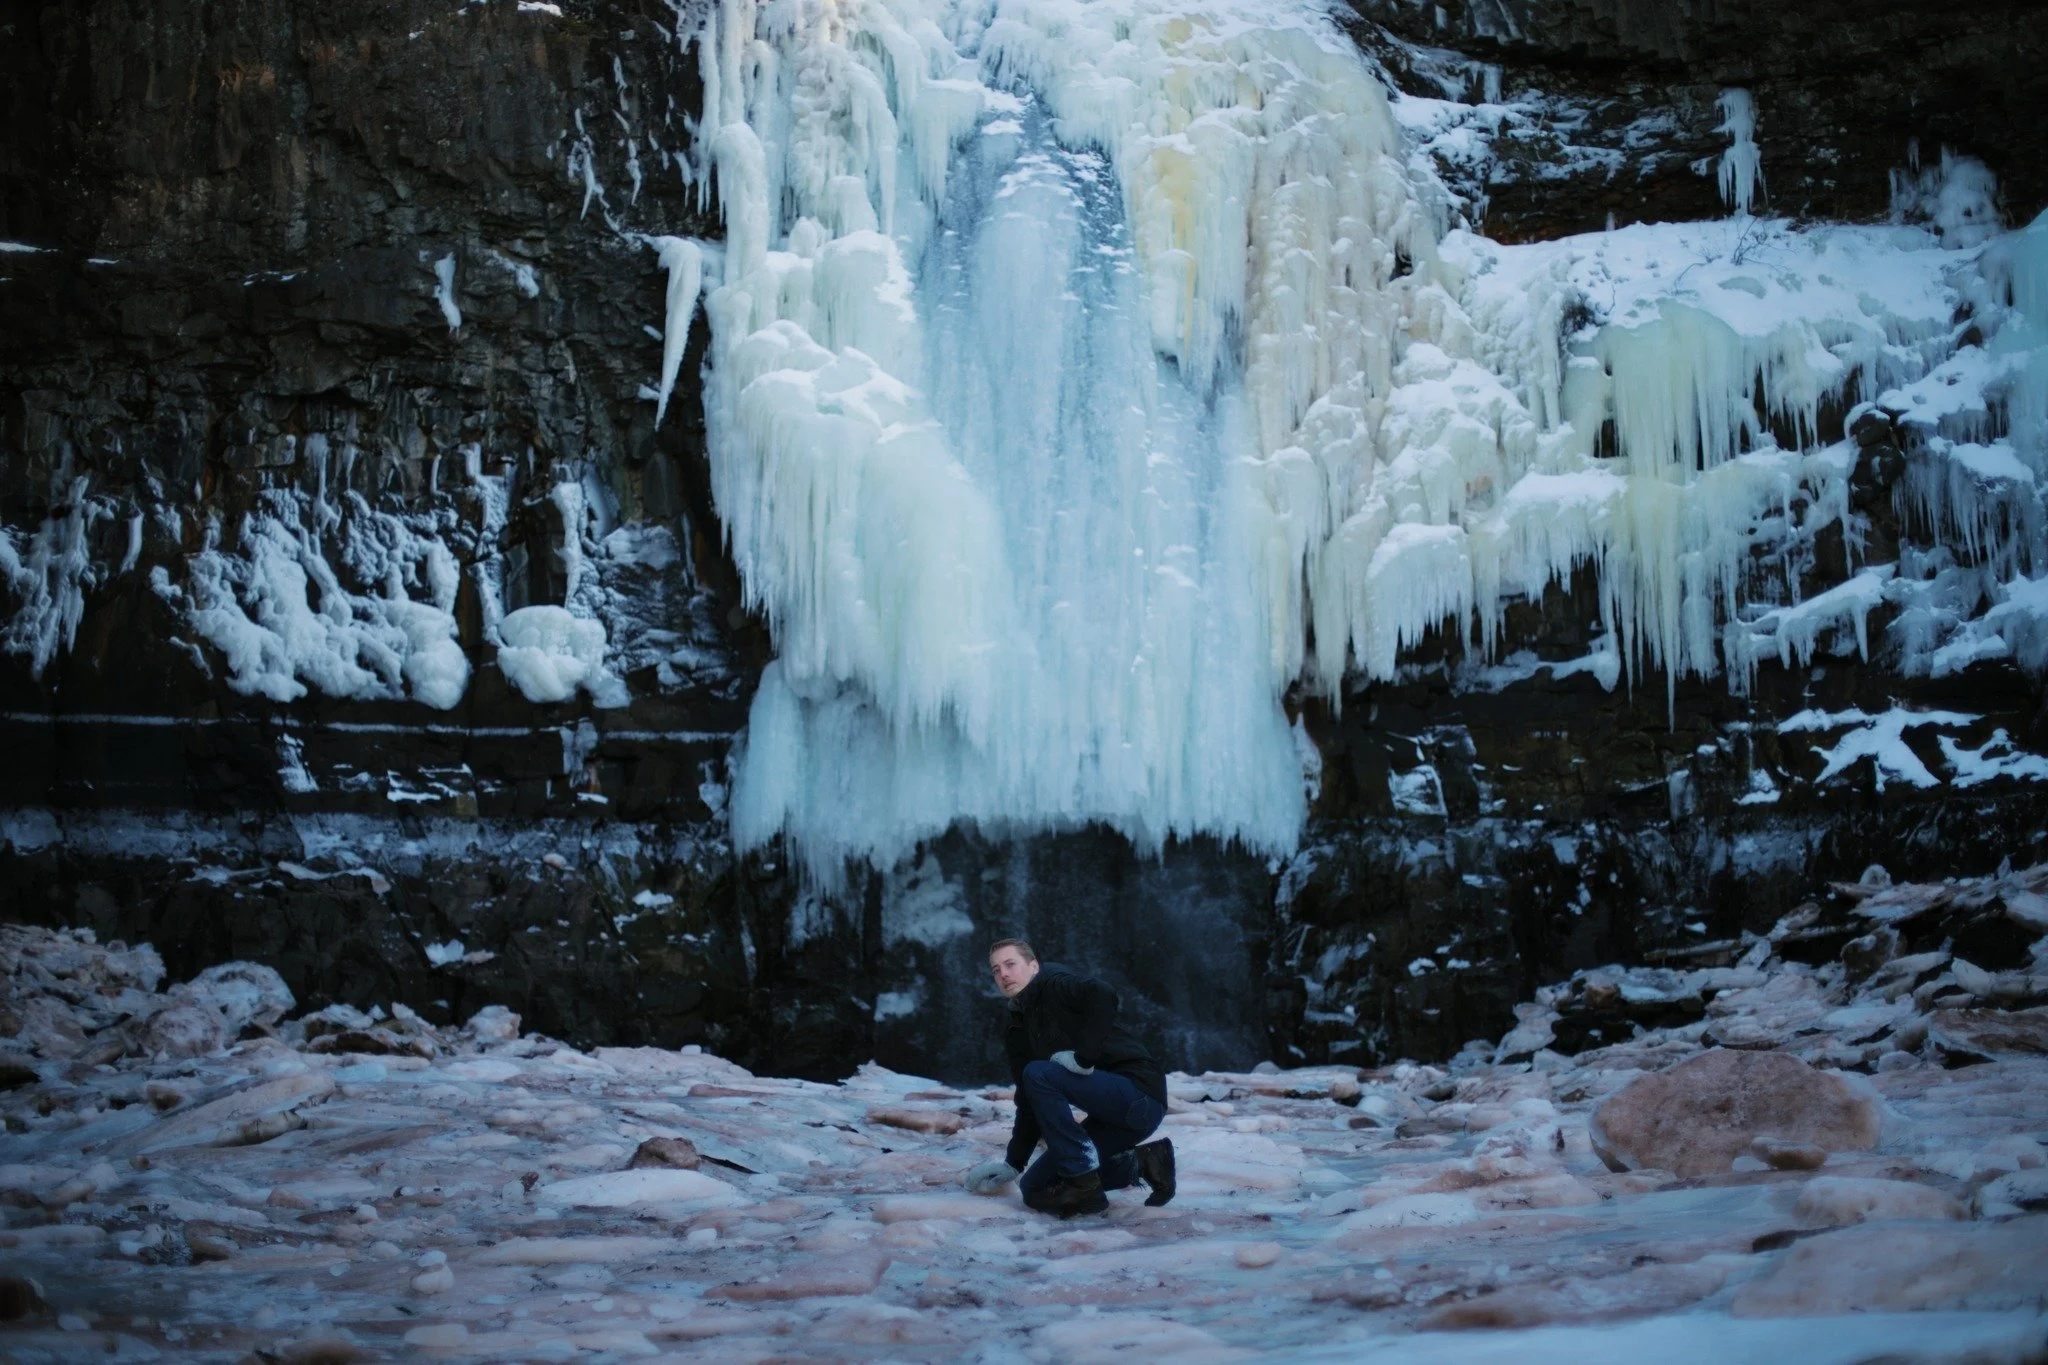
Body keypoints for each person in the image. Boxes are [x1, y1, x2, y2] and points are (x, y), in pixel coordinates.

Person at [960, 937, 1175, 1217]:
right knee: (1035, 1187)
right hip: (1111, 1119)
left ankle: (1082, 1181)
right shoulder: (1017, 1028)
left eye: (1010, 964)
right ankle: (1143, 1164)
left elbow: (1102, 992)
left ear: (1034, 966)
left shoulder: (1056, 983)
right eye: (996, 970)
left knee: (1039, 1073)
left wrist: (1083, 1058)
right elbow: (1028, 1099)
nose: (1003, 974)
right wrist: (1014, 1162)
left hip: (1139, 1095)